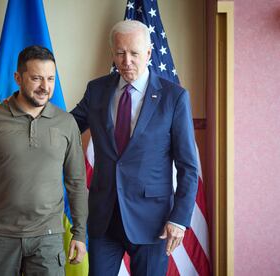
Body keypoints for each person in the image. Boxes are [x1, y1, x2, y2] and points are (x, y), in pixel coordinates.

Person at [71, 20, 198, 276]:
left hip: (153, 222)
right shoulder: (96, 90)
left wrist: (179, 219)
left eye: (134, 53)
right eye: (120, 53)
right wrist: (29, 110)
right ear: (113, 53)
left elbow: (188, 166)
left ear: (149, 53)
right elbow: (67, 125)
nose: (126, 60)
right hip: (104, 217)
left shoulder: (174, 98)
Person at [0, 45, 88, 276]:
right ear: (18, 78)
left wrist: (79, 233)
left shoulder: (66, 123)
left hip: (48, 239)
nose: (45, 87)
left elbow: (77, 181)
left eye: (50, 78)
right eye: (36, 78)